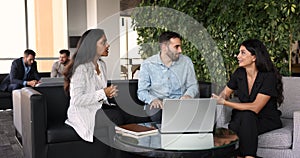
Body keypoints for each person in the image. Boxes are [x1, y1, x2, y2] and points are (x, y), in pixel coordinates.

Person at [212, 39, 283, 158]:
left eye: (243, 53)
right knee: (245, 117)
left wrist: (225, 102)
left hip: (266, 119)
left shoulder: (268, 77)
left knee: (246, 118)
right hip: (244, 117)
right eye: (239, 52)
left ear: (254, 57)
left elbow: (255, 107)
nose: (238, 56)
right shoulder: (239, 73)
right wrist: (219, 98)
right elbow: (225, 93)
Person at [137, 31, 199, 123]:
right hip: (159, 105)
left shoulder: (186, 62)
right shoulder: (148, 64)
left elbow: (193, 85)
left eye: (180, 46)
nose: (180, 50)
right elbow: (142, 91)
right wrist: (153, 99)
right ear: (164, 47)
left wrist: (188, 95)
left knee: (201, 112)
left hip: (181, 103)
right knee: (157, 112)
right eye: (176, 47)